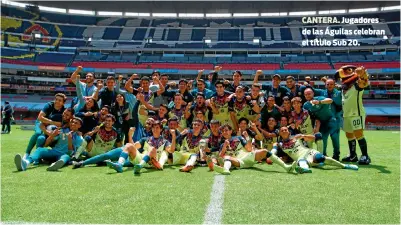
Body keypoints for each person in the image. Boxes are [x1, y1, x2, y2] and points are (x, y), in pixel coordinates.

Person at [212, 124, 295, 175]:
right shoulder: (222, 144)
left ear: (230, 131)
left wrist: (247, 137)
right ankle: (226, 170)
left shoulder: (239, 138)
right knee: (226, 157)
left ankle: (286, 167)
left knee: (265, 151)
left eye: (226, 130)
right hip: (238, 162)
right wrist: (224, 147)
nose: (225, 132)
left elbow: (249, 149)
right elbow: (220, 157)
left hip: (248, 157)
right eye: (223, 131)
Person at [274, 126, 358, 174]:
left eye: (286, 130)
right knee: (302, 161)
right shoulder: (280, 144)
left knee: (321, 158)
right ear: (280, 134)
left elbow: (314, 137)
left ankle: (344, 166)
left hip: (310, 152)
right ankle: (305, 169)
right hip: (300, 158)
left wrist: (304, 136)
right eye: (282, 130)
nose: (284, 131)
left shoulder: (296, 137)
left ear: (289, 132)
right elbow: (273, 154)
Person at [14, 117, 84, 172]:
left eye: (76, 123)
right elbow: (46, 145)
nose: (73, 124)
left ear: (80, 126)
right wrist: (52, 136)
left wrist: (69, 140)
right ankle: (25, 163)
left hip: (64, 154)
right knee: (40, 150)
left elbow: (70, 153)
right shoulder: (62, 131)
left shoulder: (79, 138)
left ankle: (55, 165)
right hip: (54, 151)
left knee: (66, 157)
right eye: (72, 122)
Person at [107, 120, 174, 174]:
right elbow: (133, 147)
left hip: (153, 162)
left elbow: (171, 150)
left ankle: (140, 166)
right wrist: (130, 135)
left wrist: (173, 136)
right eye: (153, 127)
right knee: (128, 145)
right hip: (141, 158)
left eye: (157, 128)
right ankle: (119, 165)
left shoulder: (165, 141)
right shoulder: (145, 139)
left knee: (152, 148)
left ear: (161, 129)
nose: (155, 129)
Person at [336, 65, 371, 164]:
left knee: (359, 134)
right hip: (346, 115)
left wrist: (363, 74)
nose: (343, 80)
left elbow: (364, 83)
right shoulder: (343, 88)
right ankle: (353, 155)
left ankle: (365, 156)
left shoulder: (357, 85)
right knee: (349, 135)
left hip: (356, 113)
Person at [23, 93, 67, 159]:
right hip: (40, 122)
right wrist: (51, 122)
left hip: (50, 126)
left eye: (60, 100)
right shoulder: (49, 105)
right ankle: (27, 153)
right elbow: (40, 117)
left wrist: (49, 123)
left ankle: (38, 156)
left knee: (42, 138)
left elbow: (61, 124)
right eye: (56, 99)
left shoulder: (64, 111)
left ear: (63, 103)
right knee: (38, 133)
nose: (57, 101)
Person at [303, 88, 340, 160]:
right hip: (321, 123)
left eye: (309, 93)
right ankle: (323, 155)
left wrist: (319, 102)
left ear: (313, 93)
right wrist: (316, 127)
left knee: (334, 137)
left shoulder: (319, 98)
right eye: (306, 94)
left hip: (331, 120)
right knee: (323, 139)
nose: (308, 95)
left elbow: (330, 100)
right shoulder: (306, 105)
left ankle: (336, 155)